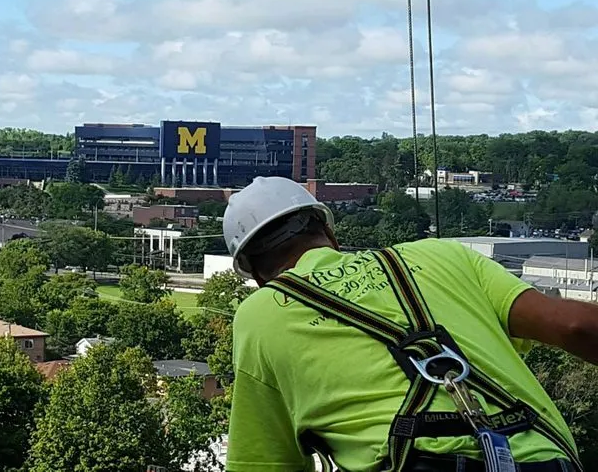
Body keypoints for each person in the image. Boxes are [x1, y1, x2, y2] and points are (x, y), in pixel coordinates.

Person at [223, 176, 594, 472]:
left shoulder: (261, 316)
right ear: (329, 232)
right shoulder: (442, 255)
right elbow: (574, 326)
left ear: (255, 274)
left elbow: (264, 463)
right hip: (544, 459)